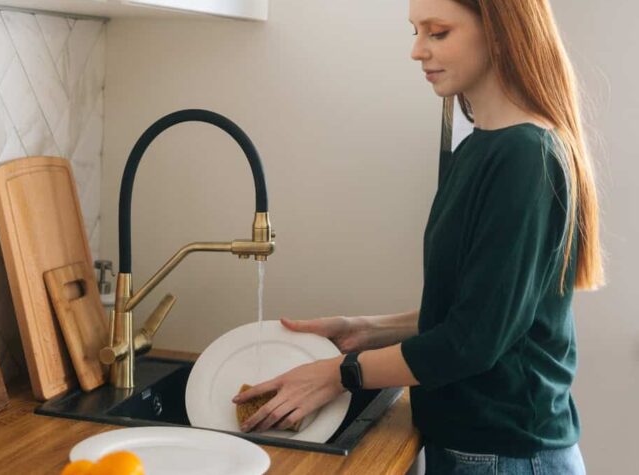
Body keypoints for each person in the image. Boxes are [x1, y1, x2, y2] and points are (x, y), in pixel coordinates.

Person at [233, 0, 605, 473]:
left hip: (505, 456)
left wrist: (340, 375)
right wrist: (366, 330)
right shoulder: (482, 146)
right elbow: (479, 310)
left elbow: (473, 341)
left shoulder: (524, 157)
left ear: (499, 31)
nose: (417, 51)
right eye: (416, 31)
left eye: (438, 32)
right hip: (479, 449)